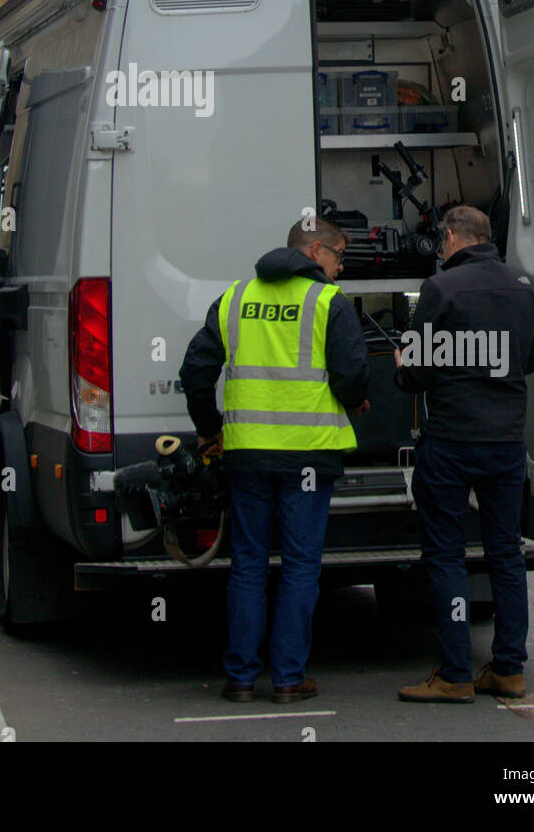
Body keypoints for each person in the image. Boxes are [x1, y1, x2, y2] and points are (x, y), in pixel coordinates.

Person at [179, 216, 370, 703]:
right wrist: (354, 401)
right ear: (313, 253)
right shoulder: (329, 303)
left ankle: (240, 676)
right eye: (337, 256)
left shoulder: (235, 299)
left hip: (246, 455)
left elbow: (196, 370)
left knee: (247, 564)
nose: (340, 268)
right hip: (308, 457)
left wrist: (209, 429)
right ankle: (288, 678)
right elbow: (350, 375)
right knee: (301, 567)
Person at [395, 204, 534, 704]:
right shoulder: (528, 288)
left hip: (453, 442)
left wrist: (405, 361)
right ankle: (509, 668)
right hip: (506, 442)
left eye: (442, 238)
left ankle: (456, 672)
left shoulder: (441, 290)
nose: (440, 247)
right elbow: (529, 360)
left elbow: (414, 374)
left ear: (455, 237)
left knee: (447, 557)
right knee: (507, 554)